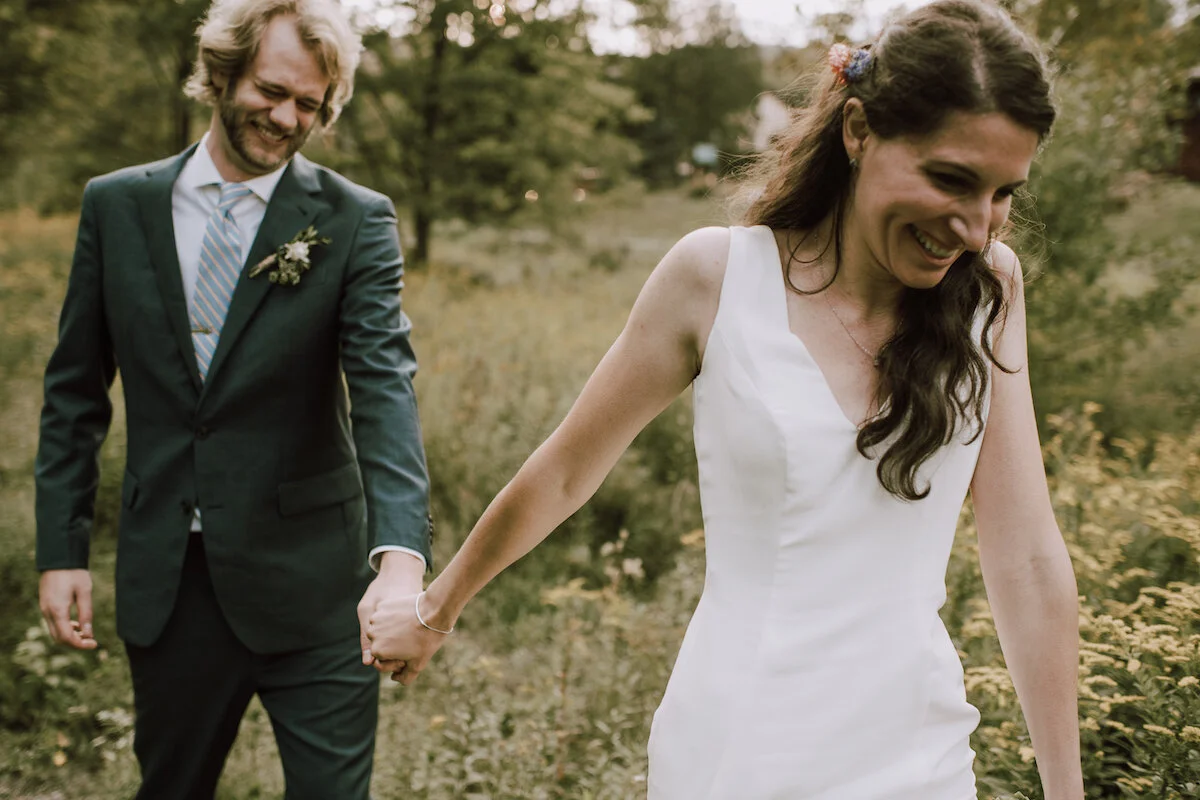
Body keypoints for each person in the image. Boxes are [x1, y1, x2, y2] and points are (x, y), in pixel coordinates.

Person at [367, 0, 1084, 797]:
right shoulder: (716, 277)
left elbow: (1025, 555)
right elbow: (568, 471)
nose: (977, 227)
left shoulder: (991, 291)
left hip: (919, 753)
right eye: (950, 179)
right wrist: (435, 609)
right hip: (741, 747)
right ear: (858, 132)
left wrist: (1066, 790)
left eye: (1001, 193)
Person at [33, 1, 432, 796]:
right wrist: (61, 549)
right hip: (171, 585)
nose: (286, 118)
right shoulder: (116, 206)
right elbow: (75, 390)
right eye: (271, 90)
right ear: (220, 72)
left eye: (310, 106)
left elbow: (385, 387)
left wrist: (400, 562)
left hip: (320, 590)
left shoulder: (355, 222)